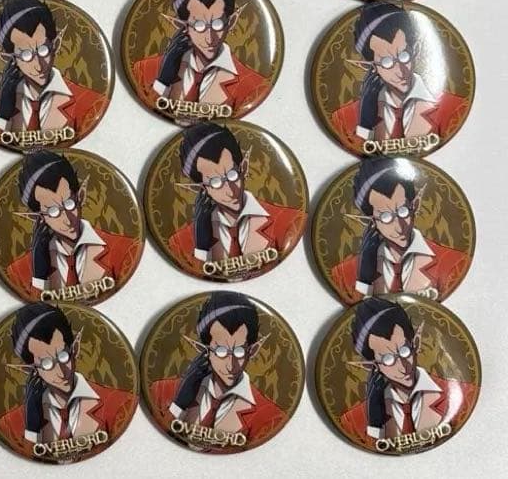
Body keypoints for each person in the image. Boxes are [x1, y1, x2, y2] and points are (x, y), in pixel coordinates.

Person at [149, 292, 284, 442]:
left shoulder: (270, 416)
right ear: (204, 350)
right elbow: (153, 440)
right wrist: (178, 406)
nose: (230, 365)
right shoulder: (161, 392)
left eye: (239, 351)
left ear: (252, 351)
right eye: (221, 351)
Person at [329, 3, 469, 148]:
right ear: (371, 67)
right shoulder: (344, 119)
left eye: (404, 56)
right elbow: (358, 151)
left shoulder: (455, 109)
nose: (400, 71)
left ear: (416, 49)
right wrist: (365, 126)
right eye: (386, 62)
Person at [0, 303, 135, 450]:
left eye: (63, 356)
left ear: (75, 348)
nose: (61, 371)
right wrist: (32, 430)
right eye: (46, 364)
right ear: (31, 370)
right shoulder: (11, 424)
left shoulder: (120, 404)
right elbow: (26, 458)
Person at [329, 158, 469, 302]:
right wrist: (364, 282)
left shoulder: (453, 263)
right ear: (371, 221)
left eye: (403, 211)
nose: (399, 227)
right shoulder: (344, 274)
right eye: (385, 217)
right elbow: (357, 309)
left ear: (415, 205)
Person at [339, 297, 477, 443]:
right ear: (372, 366)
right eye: (388, 359)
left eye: (404, 350)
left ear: (415, 343)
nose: (403, 367)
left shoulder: (466, 394)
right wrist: (375, 423)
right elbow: (371, 446)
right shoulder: (352, 422)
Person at [169, 123, 305, 271]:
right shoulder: (181, 243)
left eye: (232, 175)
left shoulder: (289, 221)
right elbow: (194, 277)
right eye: (216, 182)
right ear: (202, 188)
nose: (230, 190)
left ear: (244, 167)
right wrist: (201, 250)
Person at [0, 0, 107, 140]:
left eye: (43, 50)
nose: (38, 66)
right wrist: (2, 117)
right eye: (26, 55)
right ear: (10, 59)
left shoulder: (90, 103)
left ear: (56, 45)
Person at [131, 0, 267, 109]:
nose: (210, 38)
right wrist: (162, 82)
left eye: (217, 24)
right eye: (199, 25)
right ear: (182, 26)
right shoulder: (144, 71)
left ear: (231, 22)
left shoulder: (253, 86)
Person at [6, 151, 139, 295]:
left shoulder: (125, 250)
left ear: (81, 196)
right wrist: (39, 278)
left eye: (69, 204)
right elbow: (36, 304)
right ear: (39, 218)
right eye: (53, 211)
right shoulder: (20, 272)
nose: (67, 219)